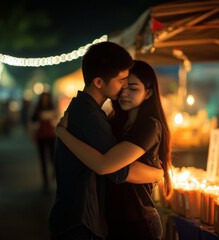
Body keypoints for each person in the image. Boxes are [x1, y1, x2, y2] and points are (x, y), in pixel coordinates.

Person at [48, 42, 164, 240]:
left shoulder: (84, 111)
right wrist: (158, 173)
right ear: (99, 82)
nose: (123, 90)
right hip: (82, 221)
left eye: (131, 87)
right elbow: (115, 170)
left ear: (149, 93)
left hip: (91, 219)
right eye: (121, 81)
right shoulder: (92, 117)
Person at [30, 91, 58, 192]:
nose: (45, 99)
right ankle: (45, 181)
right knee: (42, 159)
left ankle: (54, 175)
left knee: (52, 157)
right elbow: (33, 121)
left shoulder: (52, 107)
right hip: (41, 136)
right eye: (44, 98)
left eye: (47, 97)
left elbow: (56, 119)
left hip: (51, 136)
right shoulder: (37, 109)